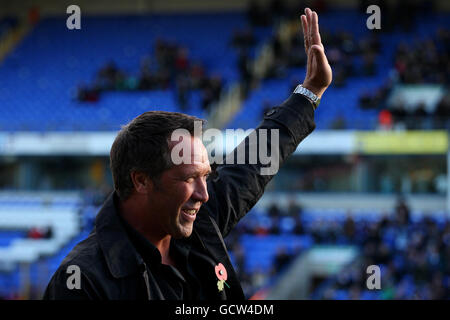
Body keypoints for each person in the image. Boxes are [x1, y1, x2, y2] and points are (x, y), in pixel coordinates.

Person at [43, 8, 332, 300]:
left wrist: (310, 93)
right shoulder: (83, 282)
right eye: (190, 178)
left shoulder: (195, 221)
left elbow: (252, 163)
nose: (205, 195)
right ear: (142, 181)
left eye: (205, 176)